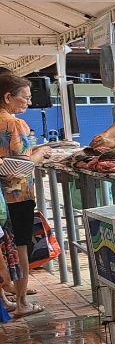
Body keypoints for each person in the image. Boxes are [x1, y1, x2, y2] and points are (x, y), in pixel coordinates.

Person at [0, 73, 43, 316]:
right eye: (24, 98)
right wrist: (41, 154)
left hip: (0, 201)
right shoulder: (14, 124)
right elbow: (18, 168)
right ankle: (22, 303)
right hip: (15, 196)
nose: (28, 102)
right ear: (8, 97)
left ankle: (5, 301)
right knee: (20, 248)